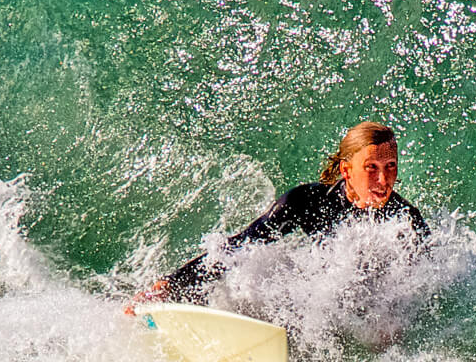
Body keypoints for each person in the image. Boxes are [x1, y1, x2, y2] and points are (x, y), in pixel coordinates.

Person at [128, 121, 429, 310]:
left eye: (390, 166)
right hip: (320, 306)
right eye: (371, 168)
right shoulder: (310, 202)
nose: (383, 179)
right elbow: (241, 246)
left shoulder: (405, 220)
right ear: (346, 170)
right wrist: (171, 285)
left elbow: (424, 285)